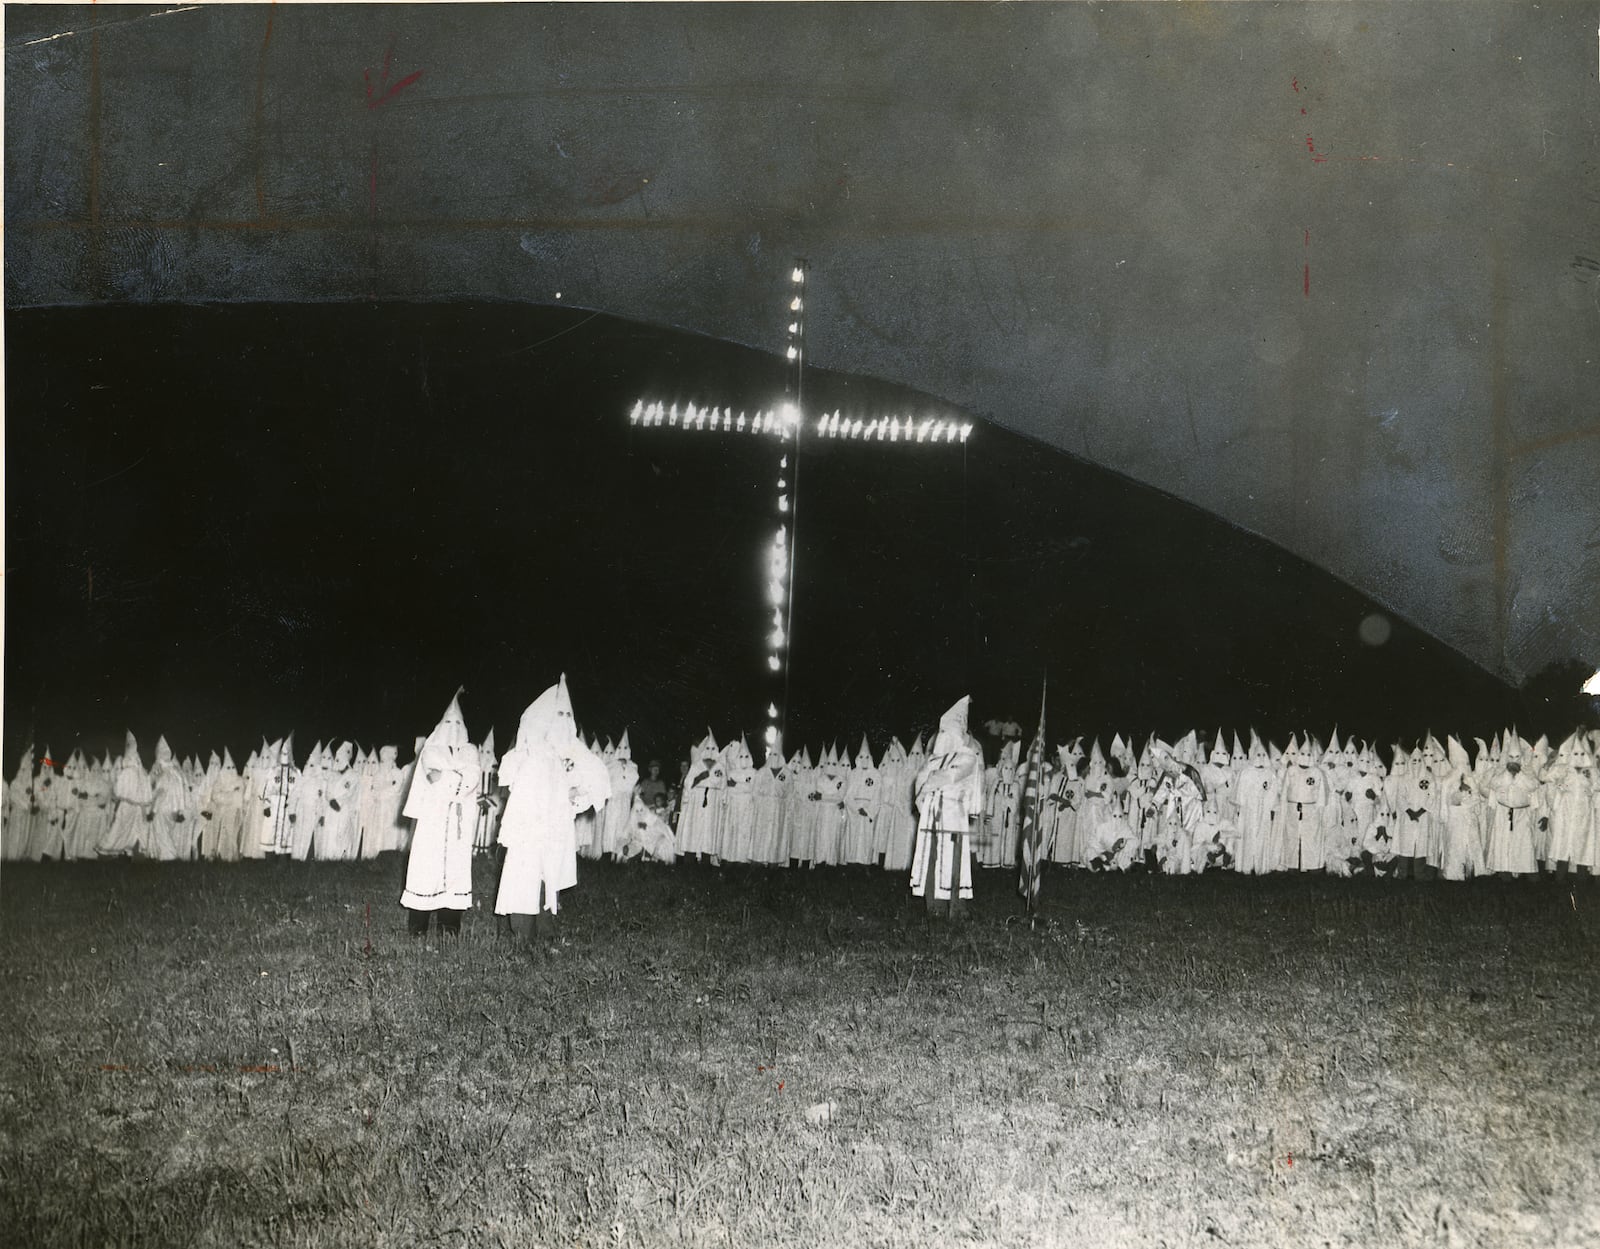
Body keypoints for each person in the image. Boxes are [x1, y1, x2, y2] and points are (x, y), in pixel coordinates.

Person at [494, 675, 610, 945]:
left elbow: (596, 774)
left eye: (567, 715)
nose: (564, 721)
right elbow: (517, 780)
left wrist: (578, 793)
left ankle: (546, 931)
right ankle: (522, 933)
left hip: (555, 826)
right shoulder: (533, 751)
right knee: (525, 874)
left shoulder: (569, 750)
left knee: (550, 874)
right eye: (558, 715)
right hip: (530, 827)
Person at [400, 693, 482, 937]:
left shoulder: (469, 751)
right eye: (449, 723)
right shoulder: (431, 750)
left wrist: (449, 777)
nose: (453, 729)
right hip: (433, 820)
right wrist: (457, 776)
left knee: (455, 871)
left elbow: (472, 778)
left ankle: (449, 928)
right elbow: (433, 777)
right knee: (426, 869)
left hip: (459, 822)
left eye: (458, 724)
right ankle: (418, 928)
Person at [909, 696, 985, 918]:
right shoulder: (933, 759)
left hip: (952, 814)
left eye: (947, 732)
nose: (942, 737)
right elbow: (920, 780)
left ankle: (957, 907)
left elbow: (948, 776)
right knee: (931, 856)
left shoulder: (967, 756)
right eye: (941, 732)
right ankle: (935, 907)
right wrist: (925, 790)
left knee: (953, 858)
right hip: (932, 813)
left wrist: (929, 784)